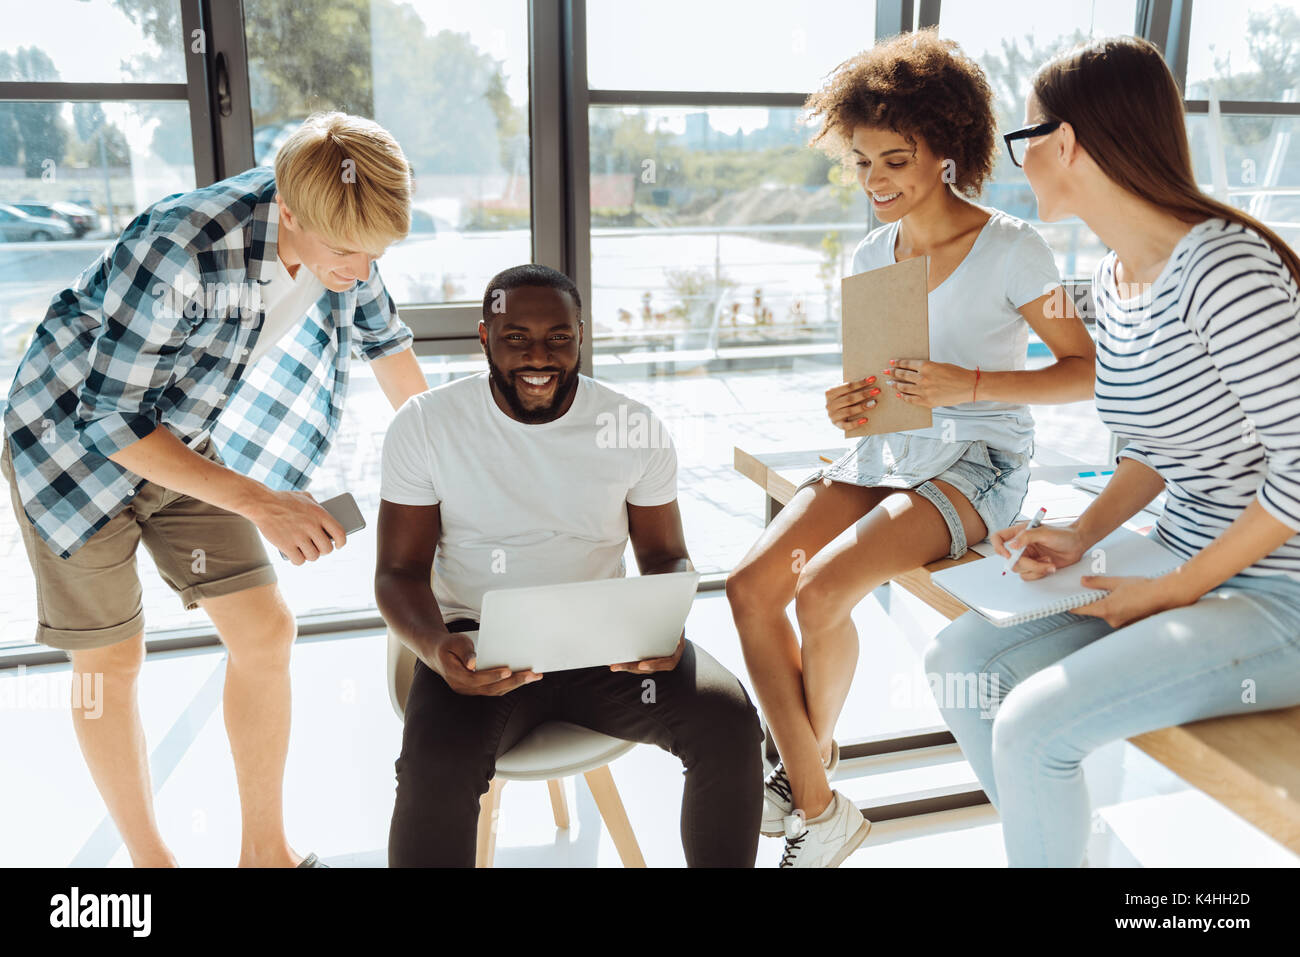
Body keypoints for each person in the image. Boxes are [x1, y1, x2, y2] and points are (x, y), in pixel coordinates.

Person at [2, 112, 429, 867]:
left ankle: (264, 853)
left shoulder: (345, 222)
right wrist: (261, 500)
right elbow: (108, 418)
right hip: (69, 444)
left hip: (181, 434)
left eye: (376, 254)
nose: (361, 271)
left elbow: (386, 344)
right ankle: (151, 862)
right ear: (288, 210)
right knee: (112, 662)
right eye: (346, 254)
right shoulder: (181, 246)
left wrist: (447, 465)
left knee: (265, 632)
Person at [924, 35, 1300, 867]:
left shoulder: (1223, 269)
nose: (1017, 163)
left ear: (1066, 142)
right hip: (1180, 560)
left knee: (1032, 725)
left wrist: (1171, 590)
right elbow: (1171, 445)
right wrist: (1085, 532)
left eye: (1024, 141)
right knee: (961, 661)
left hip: (1280, 596)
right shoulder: (1121, 278)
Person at [725, 29, 1096, 867]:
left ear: (946, 151)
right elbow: (876, 402)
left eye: (894, 160)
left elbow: (1086, 372)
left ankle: (804, 789)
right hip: (886, 454)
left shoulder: (1012, 247)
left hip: (979, 464)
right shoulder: (869, 253)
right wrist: (846, 402)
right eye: (860, 164)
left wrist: (969, 385)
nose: (875, 183)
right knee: (750, 587)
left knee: (819, 592)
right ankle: (820, 802)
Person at [378, 263, 764, 867]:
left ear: (581, 336)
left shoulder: (632, 426)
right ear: (485, 337)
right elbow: (398, 572)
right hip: (482, 652)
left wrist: (665, 627)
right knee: (436, 766)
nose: (539, 357)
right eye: (516, 339)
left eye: (558, 337)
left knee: (730, 719)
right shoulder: (426, 425)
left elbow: (664, 555)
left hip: (608, 650)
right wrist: (432, 648)